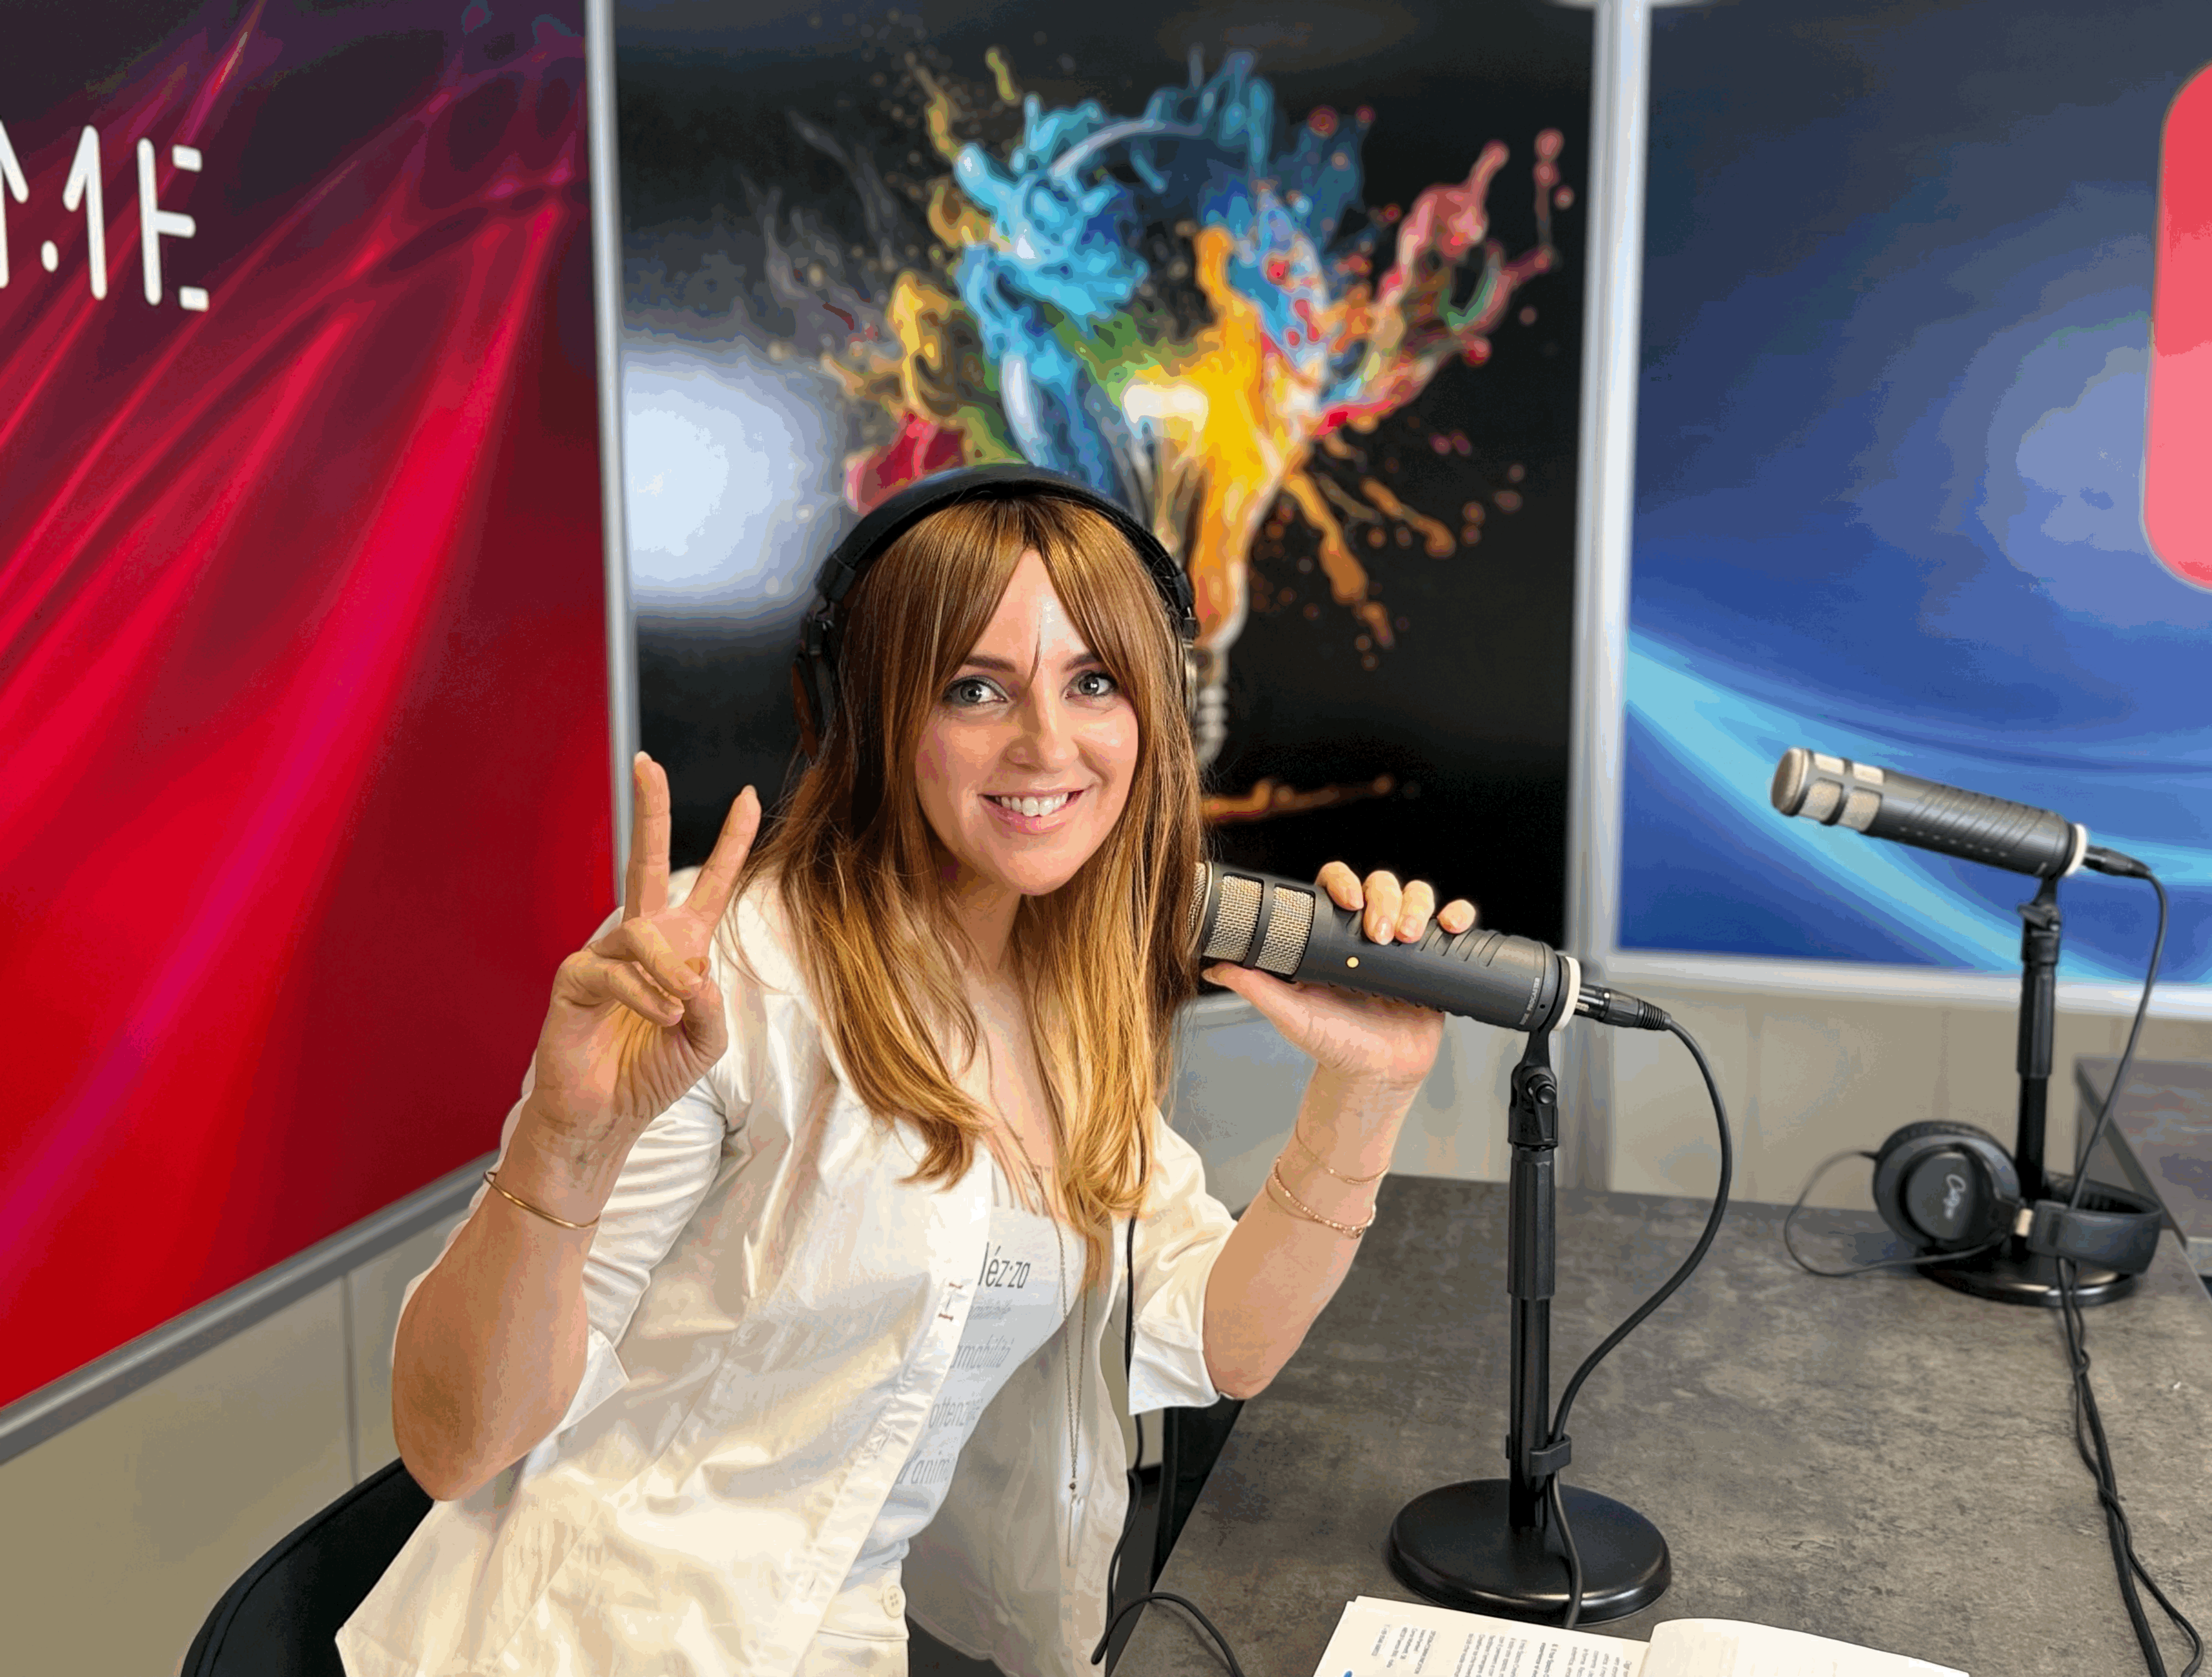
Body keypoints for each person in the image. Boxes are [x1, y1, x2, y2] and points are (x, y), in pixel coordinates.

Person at [338, 475, 1476, 1677]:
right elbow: (455, 1449)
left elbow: (1218, 1341)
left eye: (1094, 682)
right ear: (870, 714)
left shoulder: (1068, 1000)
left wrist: (1369, 1092)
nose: (1048, 745)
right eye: (975, 689)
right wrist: (564, 1142)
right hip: (594, 1639)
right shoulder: (733, 972)